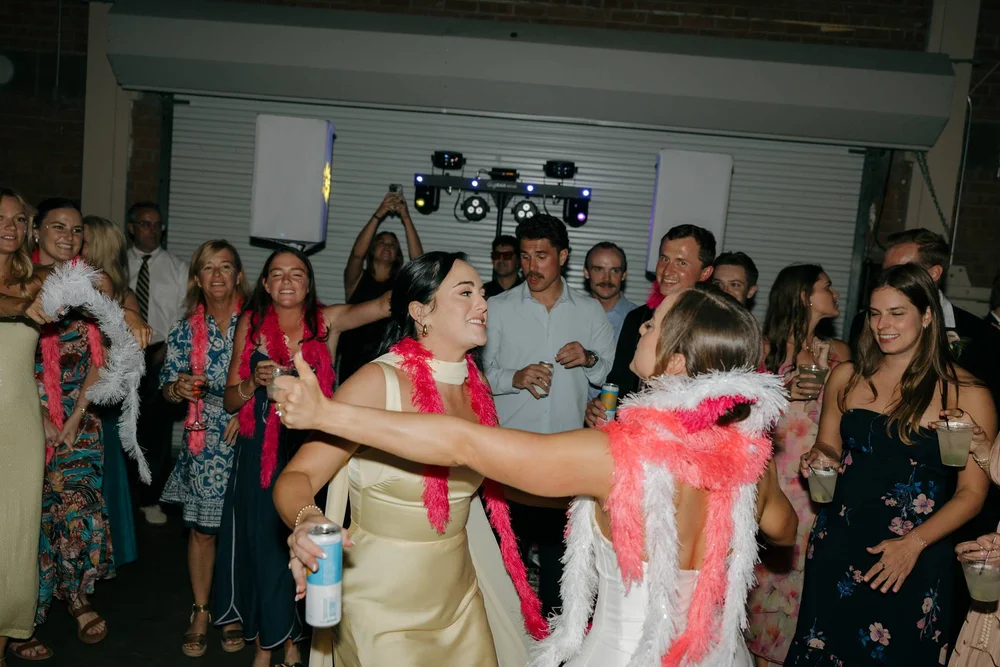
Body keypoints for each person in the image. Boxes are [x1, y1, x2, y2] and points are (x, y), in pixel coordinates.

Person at [274, 284, 798, 667]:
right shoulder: (750, 461)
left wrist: (327, 413)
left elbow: (463, 442)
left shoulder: (614, 454)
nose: (641, 326)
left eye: (654, 325)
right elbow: (783, 530)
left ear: (677, 363)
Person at [273, 251, 547, 667]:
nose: (483, 303)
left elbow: (494, 480)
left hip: (459, 598)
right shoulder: (377, 381)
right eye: (466, 293)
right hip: (381, 605)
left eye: (482, 293)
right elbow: (298, 475)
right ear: (420, 311)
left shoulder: (476, 385)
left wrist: (580, 500)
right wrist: (307, 518)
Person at [786, 264, 996, 666]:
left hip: (916, 554)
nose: (883, 325)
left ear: (928, 315)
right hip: (839, 543)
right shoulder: (846, 377)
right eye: (875, 313)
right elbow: (828, 446)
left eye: (897, 313)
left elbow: (972, 494)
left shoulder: (966, 393)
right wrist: (817, 458)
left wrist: (913, 544)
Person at [213, 247, 390, 667]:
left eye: (296, 273)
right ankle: (271, 641)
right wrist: (253, 383)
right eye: (277, 274)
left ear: (308, 283)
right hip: (259, 451)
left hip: (312, 448)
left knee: (304, 544)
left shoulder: (325, 322)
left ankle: (288, 641)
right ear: (265, 283)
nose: (287, 281)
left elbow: (385, 305)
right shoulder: (251, 324)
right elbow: (229, 400)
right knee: (265, 546)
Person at [484, 215, 615, 616]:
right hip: (510, 455)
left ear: (563, 256)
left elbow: (606, 373)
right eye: (525, 256)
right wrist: (515, 377)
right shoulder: (497, 307)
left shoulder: (590, 311)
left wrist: (588, 358)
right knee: (505, 566)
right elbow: (480, 375)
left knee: (562, 573)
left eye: (541, 256)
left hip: (566, 459)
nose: (531, 266)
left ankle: (558, 639)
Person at [746, 264, 851, 666]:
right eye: (827, 286)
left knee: (808, 585)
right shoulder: (763, 349)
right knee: (766, 585)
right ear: (805, 295)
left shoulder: (839, 354)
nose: (835, 293)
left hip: (820, 483)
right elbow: (735, 411)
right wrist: (778, 392)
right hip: (774, 479)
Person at [158, 240, 250, 657]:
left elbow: (280, 378)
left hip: (250, 434)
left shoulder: (259, 323)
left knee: (244, 530)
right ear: (197, 277)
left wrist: (247, 413)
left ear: (238, 275)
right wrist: (176, 388)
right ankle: (200, 611)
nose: (217, 275)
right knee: (203, 531)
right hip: (204, 438)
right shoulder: (184, 330)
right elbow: (167, 388)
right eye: (208, 268)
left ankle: (232, 610)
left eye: (225, 266)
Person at [584, 224, 715, 427]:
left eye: (681, 263)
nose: (668, 270)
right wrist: (598, 408)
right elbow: (618, 384)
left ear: (705, 273)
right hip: (631, 436)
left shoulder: (714, 328)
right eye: (664, 259)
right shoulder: (637, 318)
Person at [0, 188, 55, 663]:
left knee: (14, 537)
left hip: (18, 424)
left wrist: (130, 311)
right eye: (1, 217)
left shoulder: (36, 279)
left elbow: (97, 282)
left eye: (19, 219)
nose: (10, 226)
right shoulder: (22, 296)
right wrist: (20, 308)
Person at [81, 215, 144, 569]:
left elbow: (128, 357)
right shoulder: (68, 285)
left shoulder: (123, 296)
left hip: (101, 399)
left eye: (84, 239)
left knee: (101, 481)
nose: (75, 243)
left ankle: (98, 555)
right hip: (66, 396)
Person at [126, 201, 189, 526]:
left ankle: (152, 499)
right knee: (124, 427)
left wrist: (169, 351)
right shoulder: (119, 264)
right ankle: (124, 498)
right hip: (123, 353)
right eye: (145, 223)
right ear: (132, 228)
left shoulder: (177, 268)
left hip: (159, 353)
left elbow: (184, 314)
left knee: (157, 431)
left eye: (156, 224)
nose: (152, 230)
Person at [338, 192, 424, 381]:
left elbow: (419, 263)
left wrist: (406, 218)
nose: (387, 247)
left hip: (389, 361)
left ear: (397, 254)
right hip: (353, 361)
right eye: (381, 242)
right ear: (371, 249)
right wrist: (379, 213)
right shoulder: (356, 278)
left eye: (392, 245)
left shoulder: (401, 284)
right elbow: (356, 255)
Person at [583, 241, 635, 400]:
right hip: (571, 411)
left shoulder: (639, 319)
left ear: (624, 275)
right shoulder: (571, 314)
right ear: (586, 272)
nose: (606, 278)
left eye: (615, 271)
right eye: (598, 269)